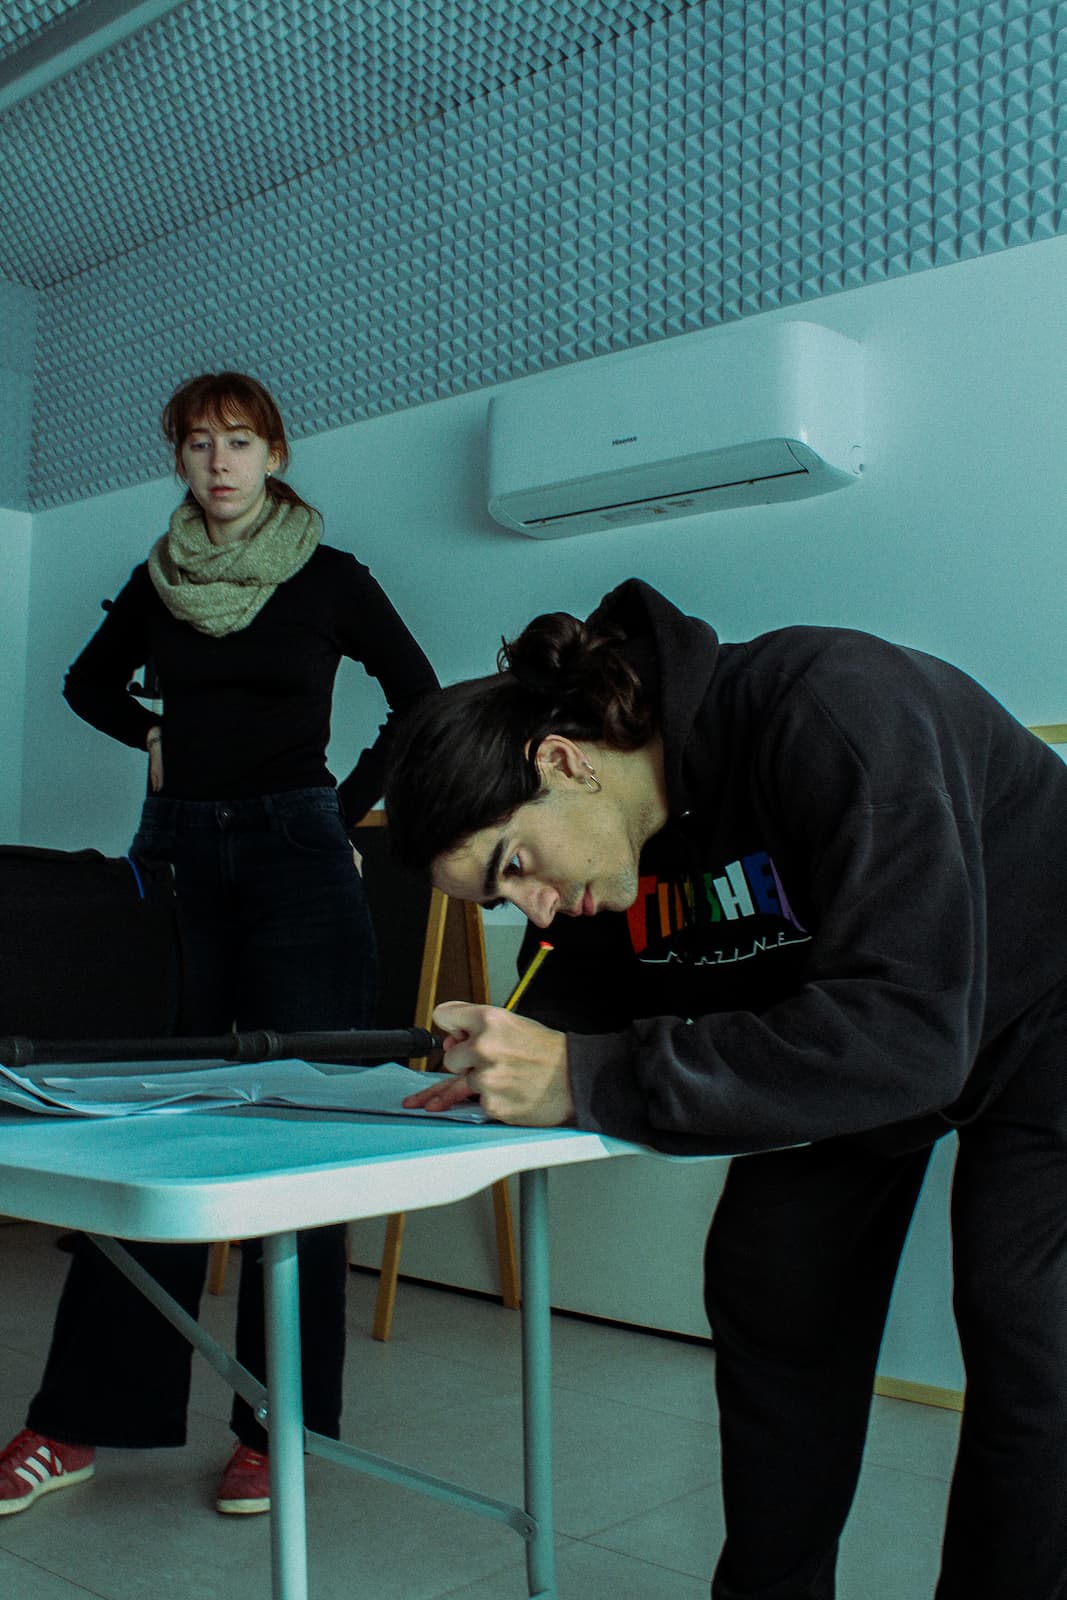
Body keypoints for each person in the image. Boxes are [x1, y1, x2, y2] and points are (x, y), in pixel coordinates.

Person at [379, 576, 1067, 1600]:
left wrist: (583, 1075)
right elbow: (573, 1022)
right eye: (498, 895)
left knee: (1029, 1338)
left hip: (1040, 1000)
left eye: (515, 863)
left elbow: (906, 1034)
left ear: (563, 761)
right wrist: (499, 1061)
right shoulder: (601, 860)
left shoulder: (832, 703)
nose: (531, 906)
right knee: (770, 1283)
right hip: (852, 1027)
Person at [0, 372, 438, 1519]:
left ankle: (275, 1426)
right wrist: (151, 732)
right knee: (148, 1124)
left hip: (299, 861)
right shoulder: (159, 581)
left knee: (298, 1135)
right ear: (181, 460)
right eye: (196, 444)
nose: (217, 462)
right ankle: (76, 1422)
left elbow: (421, 697)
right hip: (180, 858)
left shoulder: (329, 576)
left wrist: (344, 815)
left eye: (238, 441)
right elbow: (86, 684)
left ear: (273, 453)